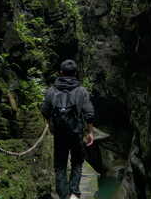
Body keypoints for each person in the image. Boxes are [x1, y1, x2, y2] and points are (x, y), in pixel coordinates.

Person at [41, 59, 95, 199]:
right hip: (76, 133)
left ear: (60, 73)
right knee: (77, 162)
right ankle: (74, 193)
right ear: (76, 73)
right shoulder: (81, 91)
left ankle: (64, 196)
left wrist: (51, 126)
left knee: (60, 166)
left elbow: (45, 111)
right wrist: (90, 132)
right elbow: (89, 114)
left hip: (59, 134)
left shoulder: (51, 91)